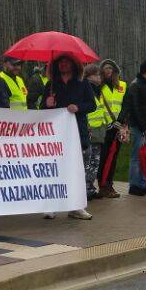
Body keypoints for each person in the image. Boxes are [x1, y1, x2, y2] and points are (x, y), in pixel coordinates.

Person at [38, 54, 95, 219]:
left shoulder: (82, 82)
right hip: (57, 135)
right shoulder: (51, 84)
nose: (63, 65)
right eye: (60, 62)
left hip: (77, 131)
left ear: (73, 64)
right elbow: (43, 109)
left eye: (66, 62)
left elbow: (91, 104)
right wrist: (47, 104)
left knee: (77, 170)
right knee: (55, 170)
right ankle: (51, 205)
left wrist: (78, 107)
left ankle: (76, 207)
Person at [119, 60, 146, 195]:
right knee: (136, 156)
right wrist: (143, 127)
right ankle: (134, 185)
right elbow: (135, 108)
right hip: (139, 127)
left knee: (145, 155)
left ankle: (143, 184)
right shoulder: (135, 85)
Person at [96, 59, 128, 197]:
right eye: (105, 68)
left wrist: (120, 121)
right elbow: (97, 106)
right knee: (103, 157)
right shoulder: (99, 86)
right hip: (104, 127)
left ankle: (110, 184)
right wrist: (106, 122)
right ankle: (102, 185)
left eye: (110, 68)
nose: (108, 70)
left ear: (115, 70)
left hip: (118, 127)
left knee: (114, 157)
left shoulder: (122, 85)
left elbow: (126, 105)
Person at [83, 64, 107, 200]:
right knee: (88, 161)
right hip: (90, 129)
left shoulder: (98, 90)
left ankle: (91, 188)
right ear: (89, 76)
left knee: (95, 161)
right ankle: (85, 189)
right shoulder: (86, 89)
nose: (99, 77)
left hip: (99, 128)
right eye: (97, 75)